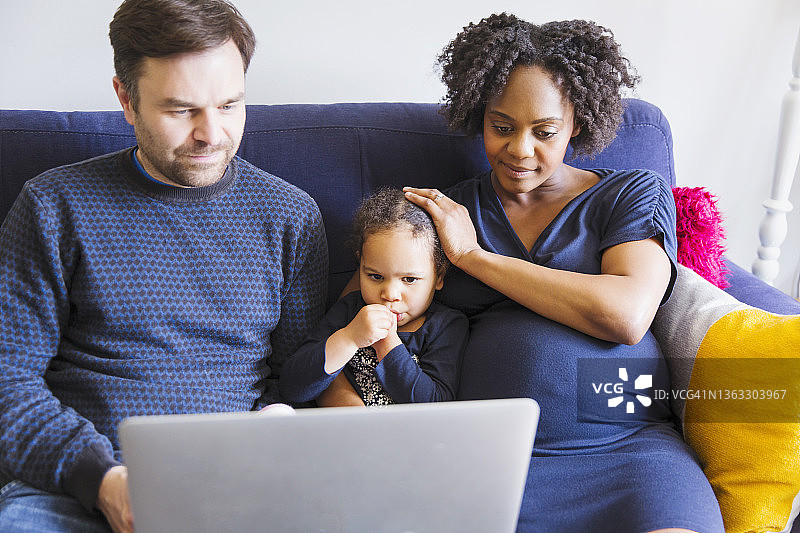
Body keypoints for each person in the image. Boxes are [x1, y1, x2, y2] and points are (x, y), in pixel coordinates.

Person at [0, 1, 327, 532]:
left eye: (229, 105)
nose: (211, 134)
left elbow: (297, 380)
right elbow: (7, 377)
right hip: (73, 491)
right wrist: (102, 482)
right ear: (126, 100)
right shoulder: (52, 206)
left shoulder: (289, 216)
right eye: (181, 110)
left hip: (236, 488)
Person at [401, 13, 725, 533]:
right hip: (492, 461)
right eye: (501, 127)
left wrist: (475, 259)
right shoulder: (449, 211)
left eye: (545, 131)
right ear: (478, 114)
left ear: (578, 124)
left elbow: (626, 313)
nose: (520, 150)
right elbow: (361, 310)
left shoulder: (628, 193)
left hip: (628, 453)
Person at [280, 188, 467, 406]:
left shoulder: (445, 326)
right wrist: (349, 338)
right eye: (375, 276)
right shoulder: (349, 312)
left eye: (409, 279)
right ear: (360, 266)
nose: (389, 295)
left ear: (438, 276)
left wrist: (387, 343)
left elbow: (435, 405)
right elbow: (292, 387)